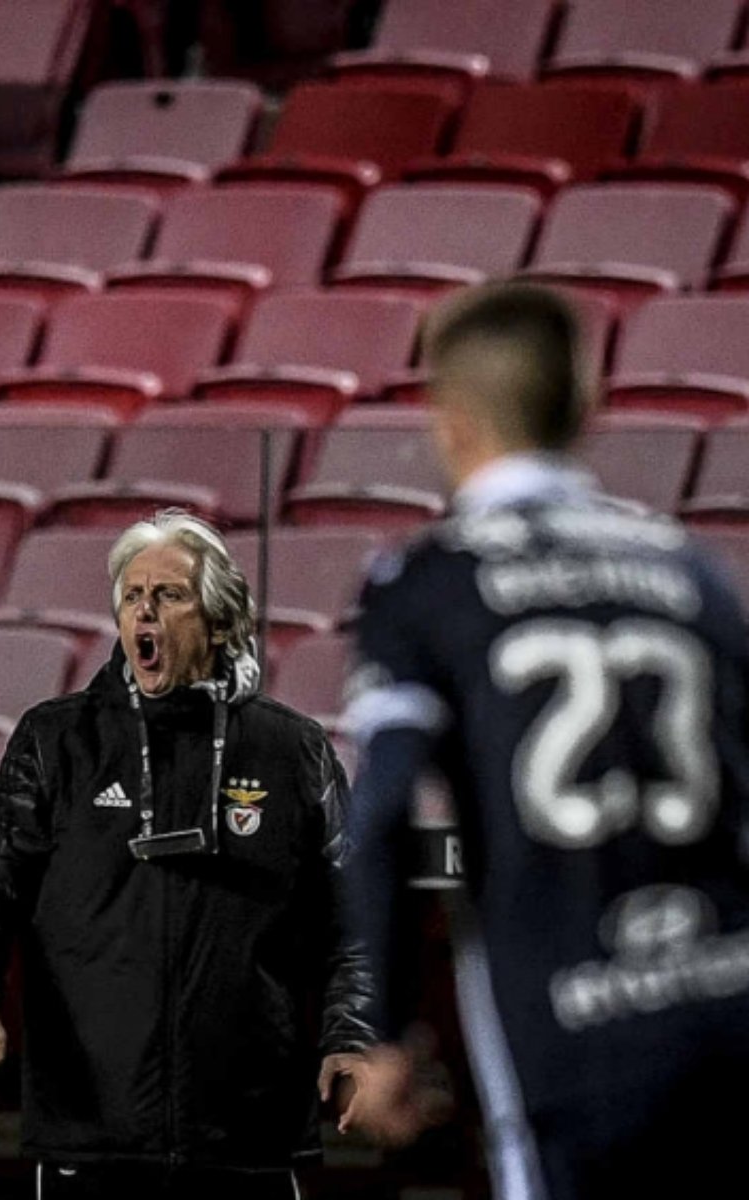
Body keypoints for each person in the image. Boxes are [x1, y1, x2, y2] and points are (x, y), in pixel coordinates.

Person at [342, 282, 749, 1199]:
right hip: (731, 1007)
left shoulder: (426, 579)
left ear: (446, 420)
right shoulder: (689, 567)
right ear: (588, 404)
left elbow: (384, 813)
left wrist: (377, 1028)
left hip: (572, 1029)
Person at [0, 510, 375, 1198]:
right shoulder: (56, 740)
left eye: (168, 595)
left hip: (248, 1136)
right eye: (132, 596)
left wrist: (352, 1034)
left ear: (221, 623)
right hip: (90, 1134)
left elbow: (354, 920)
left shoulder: (295, 751)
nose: (144, 613)